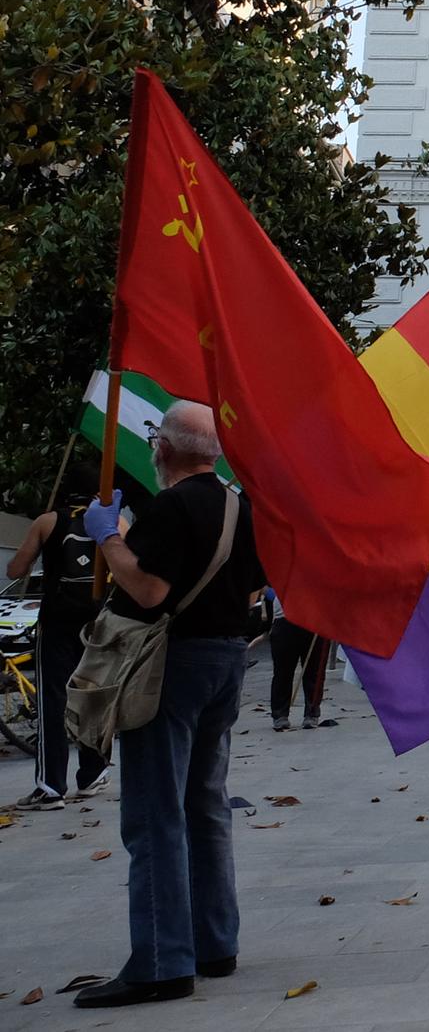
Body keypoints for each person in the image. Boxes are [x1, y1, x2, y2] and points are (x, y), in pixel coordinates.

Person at [72, 402, 265, 1008]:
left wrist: (108, 537)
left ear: (165, 449)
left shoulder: (171, 506)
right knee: (205, 801)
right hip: (227, 659)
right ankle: (215, 944)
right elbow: (256, 584)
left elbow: (149, 588)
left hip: (170, 664)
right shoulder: (239, 505)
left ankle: (160, 962)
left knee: (156, 809)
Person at [6, 484, 112, 811]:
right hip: (98, 621)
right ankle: (93, 773)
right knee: (94, 696)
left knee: (53, 698)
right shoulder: (114, 522)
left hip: (56, 621)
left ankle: (51, 786)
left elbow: (16, 570)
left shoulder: (48, 521)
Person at [267, 599, 334, 731]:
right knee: (282, 672)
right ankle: (280, 714)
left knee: (315, 672)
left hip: (316, 620)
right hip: (284, 618)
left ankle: (312, 713)